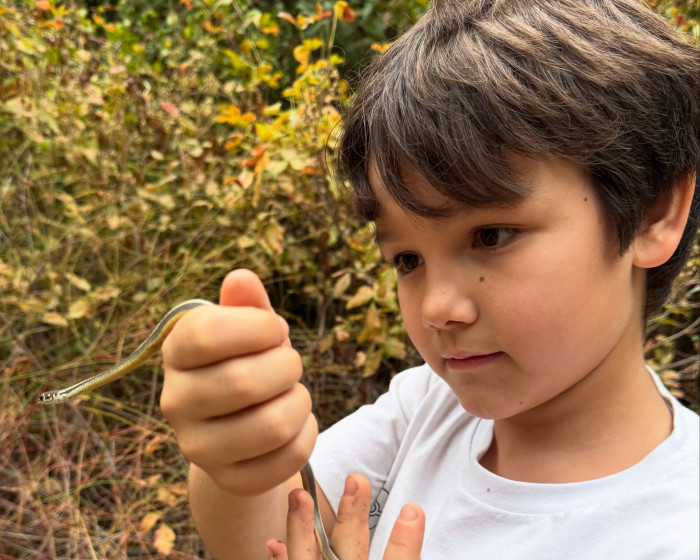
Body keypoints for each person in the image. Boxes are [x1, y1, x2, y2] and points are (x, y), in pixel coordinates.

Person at [159, 0, 700, 558]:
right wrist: (237, 457)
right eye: (407, 260)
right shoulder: (428, 409)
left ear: (653, 214)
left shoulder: (678, 530)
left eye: (491, 236)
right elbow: (267, 532)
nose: (436, 308)